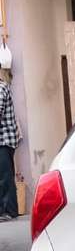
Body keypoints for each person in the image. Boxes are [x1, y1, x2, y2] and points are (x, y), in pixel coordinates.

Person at [0, 68, 21, 221]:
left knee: (5, 176)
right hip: (4, 141)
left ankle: (9, 211)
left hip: (4, 140)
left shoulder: (1, 88)